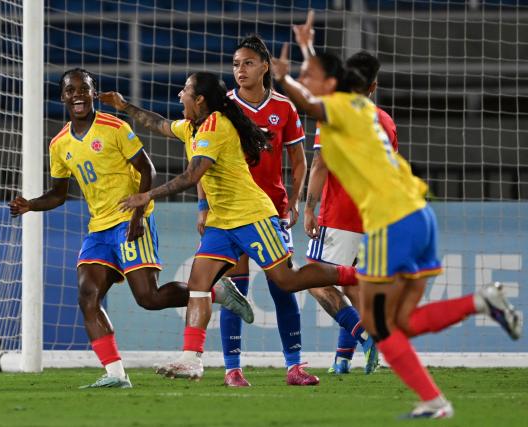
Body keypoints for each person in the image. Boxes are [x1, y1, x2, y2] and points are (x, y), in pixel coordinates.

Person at [272, 49, 522, 418]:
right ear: (373, 85)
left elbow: (311, 104)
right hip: (419, 216)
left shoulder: (342, 109)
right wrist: (308, 56)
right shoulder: (376, 117)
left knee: (381, 327)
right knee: (400, 322)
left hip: (392, 221)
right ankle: (480, 307)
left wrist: (284, 78)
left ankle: (419, 377)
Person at [101, 71, 358, 381]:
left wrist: (146, 196)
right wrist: (125, 106)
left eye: (185, 90)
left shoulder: (215, 127)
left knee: (286, 281)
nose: (179, 95)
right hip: (221, 222)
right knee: (199, 284)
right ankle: (192, 359)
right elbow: (159, 124)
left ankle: (355, 275)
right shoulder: (191, 126)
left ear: (199, 100)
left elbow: (191, 177)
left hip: (251, 216)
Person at [9, 68, 254, 389]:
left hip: (130, 221)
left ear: (93, 93)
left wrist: (138, 216)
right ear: (63, 97)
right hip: (98, 229)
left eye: (84, 89)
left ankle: (216, 291)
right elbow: (58, 193)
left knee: (148, 298)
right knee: (87, 296)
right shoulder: (59, 144)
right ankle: (115, 374)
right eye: (71, 91)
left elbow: (146, 169)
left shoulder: (114, 127)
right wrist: (30, 204)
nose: (78, 95)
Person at [198, 35, 317, 387]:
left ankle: (294, 366)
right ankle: (232, 368)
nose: (240, 70)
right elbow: (202, 160)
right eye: (236, 64)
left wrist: (295, 201)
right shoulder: (223, 110)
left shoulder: (285, 108)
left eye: (247, 63)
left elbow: (298, 160)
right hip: (231, 212)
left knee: (283, 286)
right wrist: (203, 206)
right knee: (235, 291)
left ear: (265, 65)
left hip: (272, 211)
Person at [293, 11, 392, 375]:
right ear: (374, 86)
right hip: (375, 218)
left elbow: (320, 165)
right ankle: (342, 361)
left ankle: (365, 334)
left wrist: (308, 208)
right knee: (351, 284)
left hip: (340, 215)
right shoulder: (386, 121)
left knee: (317, 283)